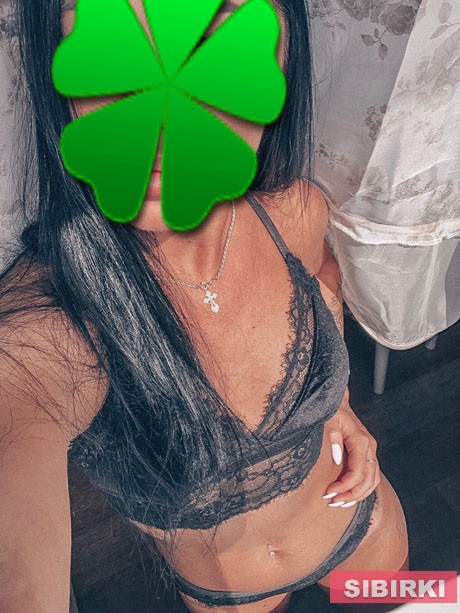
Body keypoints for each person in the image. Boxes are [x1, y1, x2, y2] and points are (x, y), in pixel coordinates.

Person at [0, 1, 409, 612]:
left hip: (366, 533)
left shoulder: (293, 211)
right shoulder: (42, 331)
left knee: (417, 603)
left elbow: (324, 275)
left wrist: (339, 405)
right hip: (233, 597)